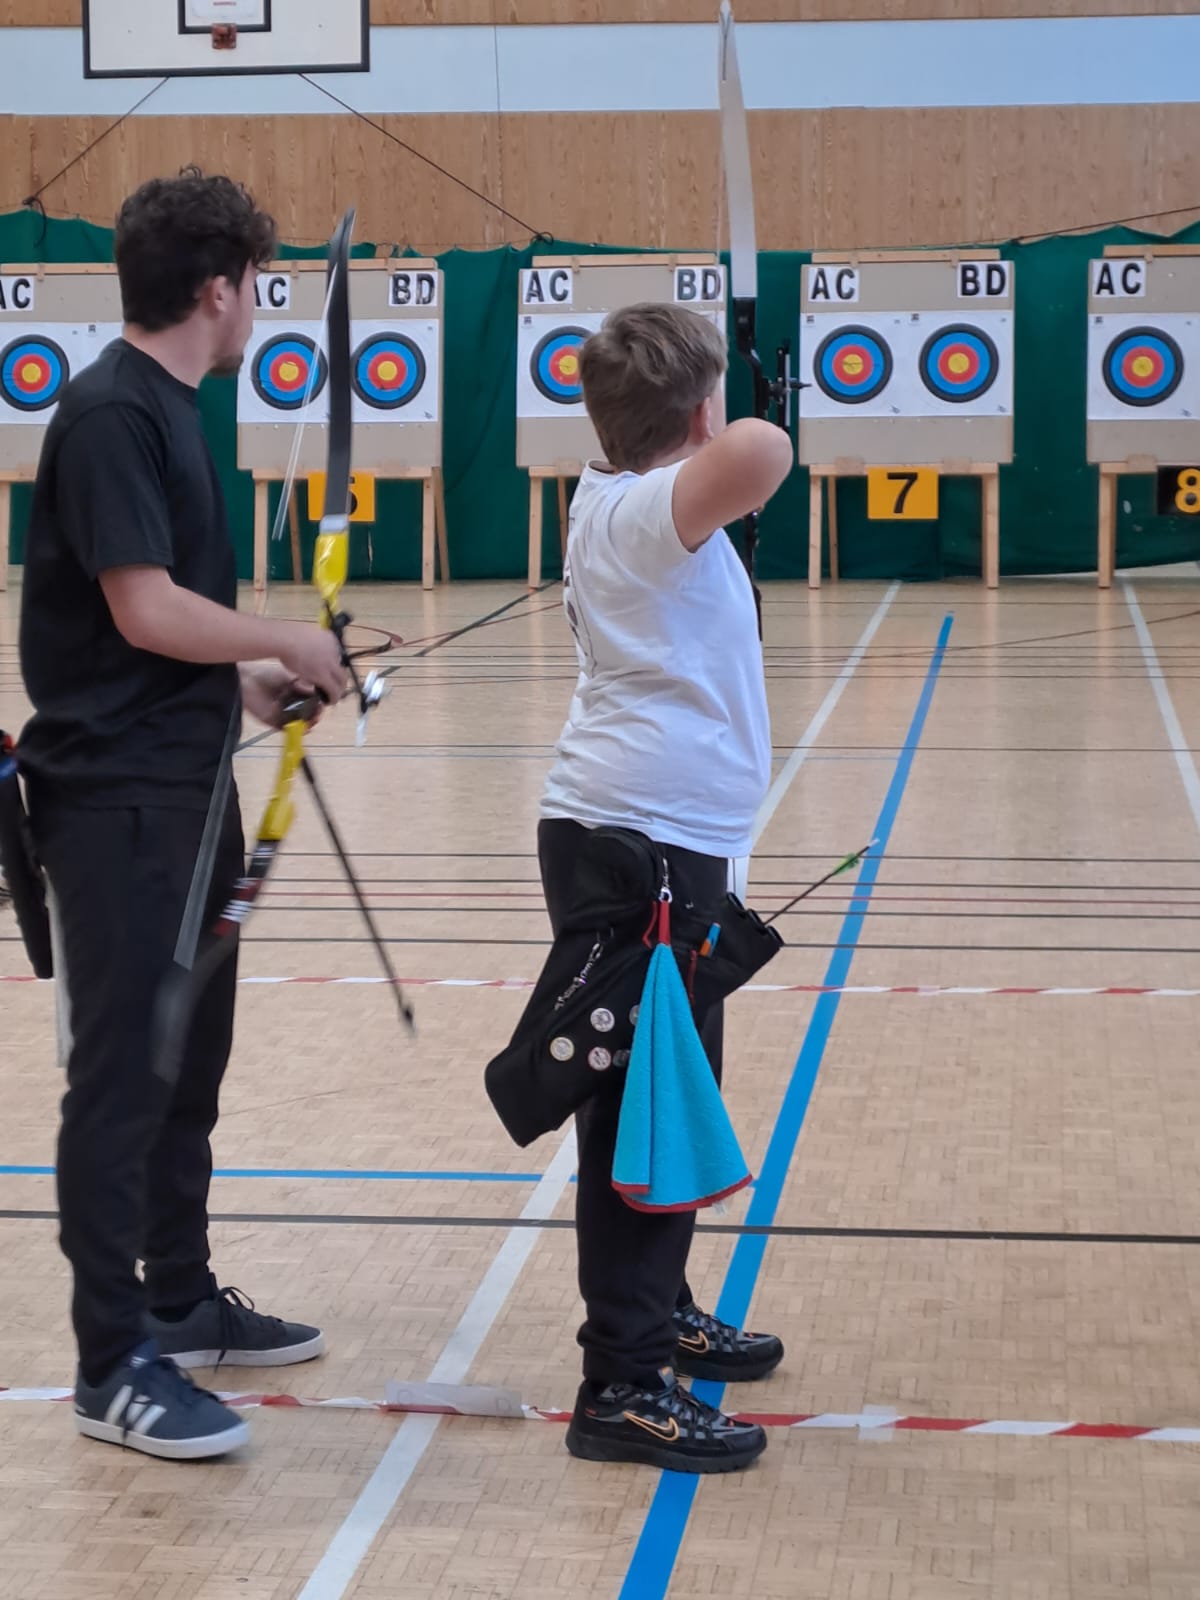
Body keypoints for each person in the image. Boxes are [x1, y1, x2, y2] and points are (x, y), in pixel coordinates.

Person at [18, 171, 349, 1461]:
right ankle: (113, 1365)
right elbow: (142, 607)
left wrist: (246, 684)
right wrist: (280, 637)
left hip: (183, 781)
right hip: (117, 808)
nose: (258, 303)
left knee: (188, 1057)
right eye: (254, 282)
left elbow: (151, 637)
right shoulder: (112, 410)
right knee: (122, 1077)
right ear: (217, 289)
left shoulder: (166, 405)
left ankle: (176, 1296)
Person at [539, 302, 793, 1473]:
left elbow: (726, 453)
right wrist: (721, 403)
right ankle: (624, 1384)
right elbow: (764, 450)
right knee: (638, 1111)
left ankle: (661, 1311)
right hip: (641, 849)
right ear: (696, 415)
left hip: (657, 843)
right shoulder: (645, 511)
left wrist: (691, 396)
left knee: (667, 1096)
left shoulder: (625, 498)